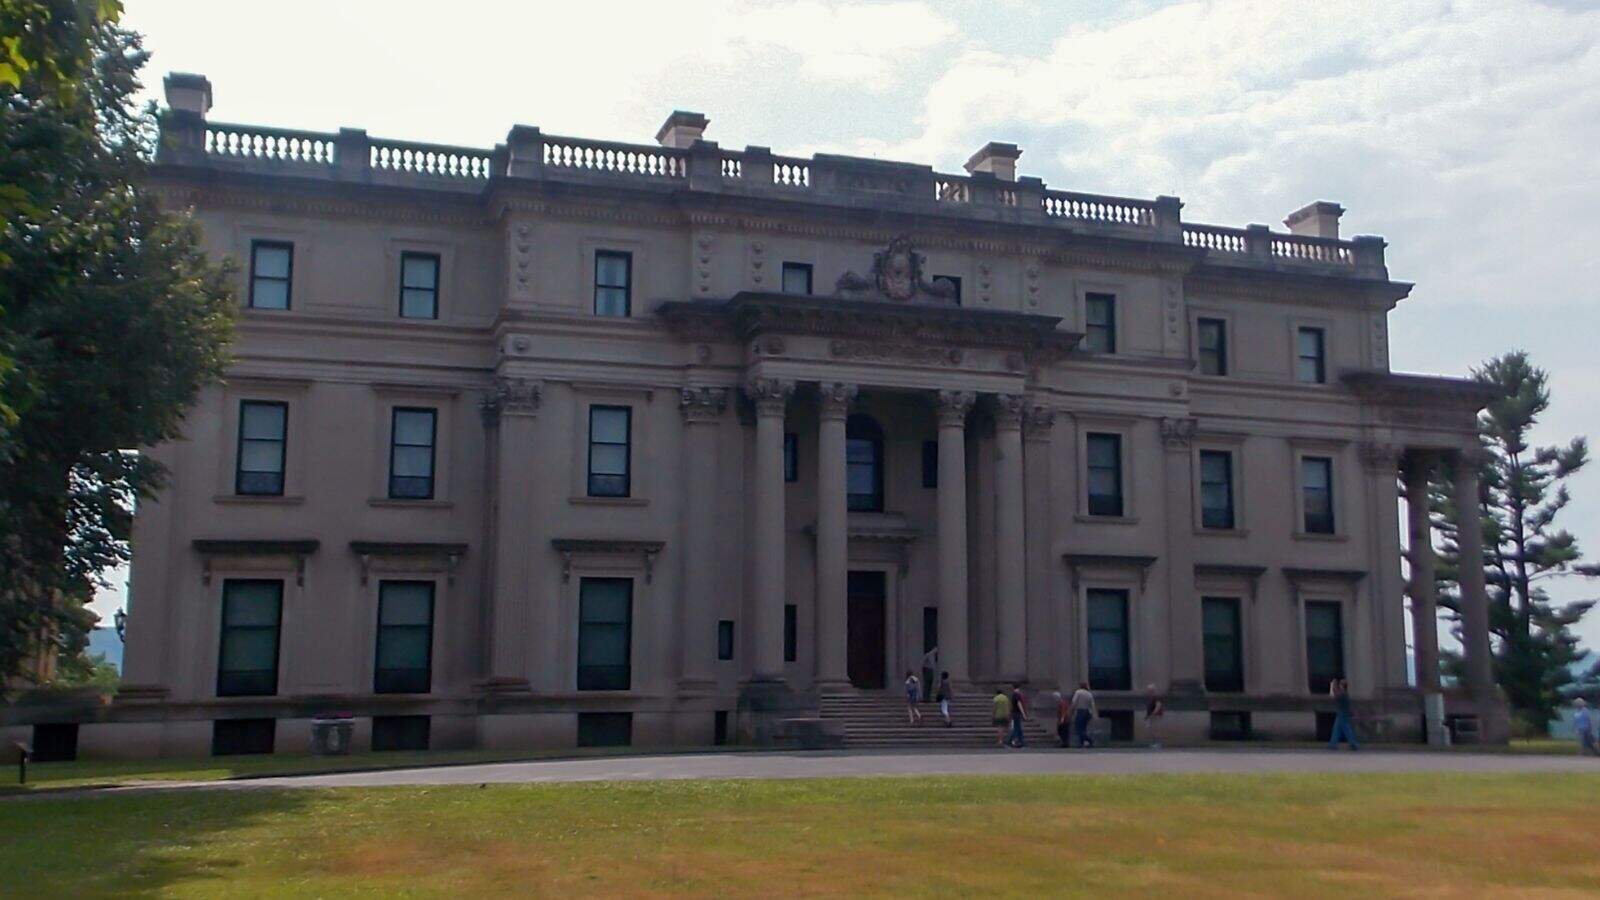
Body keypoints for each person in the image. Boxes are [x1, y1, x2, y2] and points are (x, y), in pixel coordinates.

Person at [1327, 678, 1360, 751]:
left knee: (1345, 729)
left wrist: (1332, 686)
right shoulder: (1344, 694)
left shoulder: (1342, 694)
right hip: (1343, 713)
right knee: (1338, 729)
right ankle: (1333, 744)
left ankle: (1353, 744)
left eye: (1340, 685)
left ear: (1342, 686)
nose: (1339, 686)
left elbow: (1333, 696)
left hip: (1342, 714)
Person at [1069, 681, 1097, 748]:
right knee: (1083, 728)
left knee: (1078, 728)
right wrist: (1094, 715)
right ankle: (1082, 743)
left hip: (1080, 711)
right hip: (1087, 712)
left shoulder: (1078, 692)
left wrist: (1071, 710)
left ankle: (1088, 740)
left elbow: (1074, 702)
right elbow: (1092, 705)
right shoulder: (1089, 694)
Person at [1144, 684, 1165, 749]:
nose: (1148, 691)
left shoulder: (1157, 697)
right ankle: (1154, 743)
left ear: (1153, 690)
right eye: (1148, 690)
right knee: (1152, 730)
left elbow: (1158, 706)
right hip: (1151, 716)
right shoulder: (1150, 698)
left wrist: (1153, 714)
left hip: (1156, 716)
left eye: (1150, 690)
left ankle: (1158, 744)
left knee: (1156, 730)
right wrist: (1147, 716)